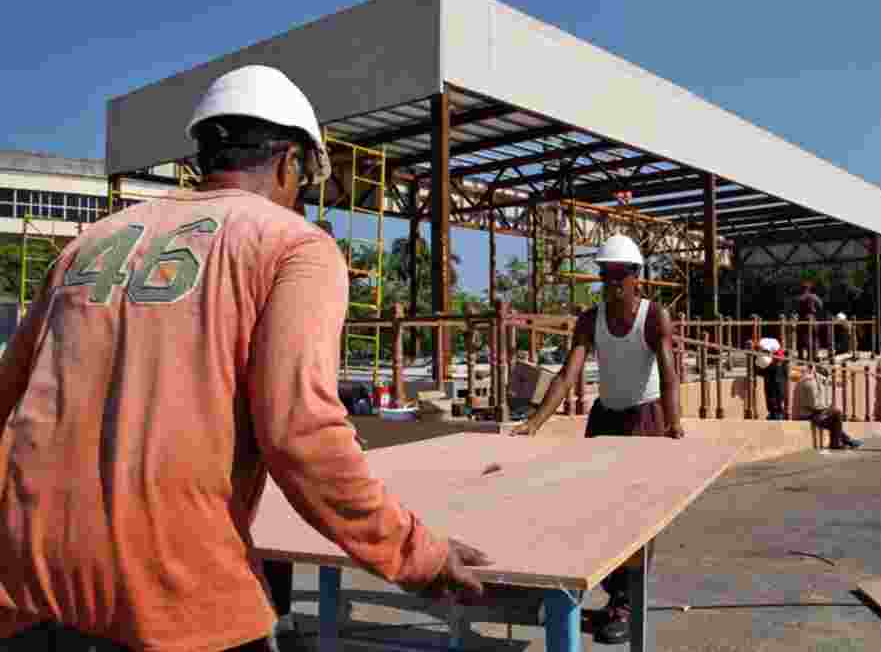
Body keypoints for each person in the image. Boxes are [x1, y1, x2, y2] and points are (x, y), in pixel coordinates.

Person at [0, 65, 490, 652]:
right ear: (290, 162)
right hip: (170, 594)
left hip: (24, 586)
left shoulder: (89, 243)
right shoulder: (291, 246)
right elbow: (301, 434)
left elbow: (9, 398)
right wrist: (418, 554)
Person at [512, 233, 682, 645]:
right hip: (606, 417)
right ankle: (586, 589)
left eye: (619, 275)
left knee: (637, 516)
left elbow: (669, 373)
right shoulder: (591, 320)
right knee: (591, 507)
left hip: (645, 418)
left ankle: (625, 603)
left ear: (637, 277)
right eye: (605, 275)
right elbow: (569, 374)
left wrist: (675, 426)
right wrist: (535, 423)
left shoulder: (654, 317)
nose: (611, 282)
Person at [793, 364, 863, 451]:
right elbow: (815, 405)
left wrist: (826, 408)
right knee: (837, 414)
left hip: (807, 412)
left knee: (833, 418)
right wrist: (826, 408)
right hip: (806, 414)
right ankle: (840, 442)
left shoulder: (809, 380)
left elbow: (817, 403)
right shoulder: (810, 383)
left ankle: (845, 441)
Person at [753, 337, 788, 420]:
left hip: (777, 369)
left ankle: (778, 412)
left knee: (777, 389)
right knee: (770, 390)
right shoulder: (762, 349)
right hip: (771, 368)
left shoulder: (775, 348)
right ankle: (773, 412)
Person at [796, 281, 824, 361]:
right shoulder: (814, 296)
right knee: (814, 338)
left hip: (802, 319)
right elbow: (821, 305)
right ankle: (813, 356)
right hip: (812, 318)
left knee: (802, 339)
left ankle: (801, 357)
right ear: (809, 289)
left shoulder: (799, 298)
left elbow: (795, 309)